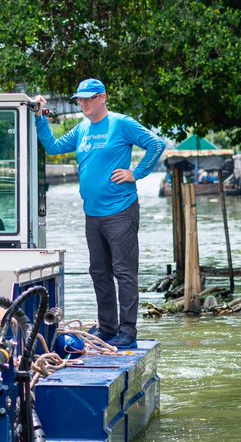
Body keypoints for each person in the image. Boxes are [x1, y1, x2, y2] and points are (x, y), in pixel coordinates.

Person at [34, 79, 164, 349]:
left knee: (124, 273)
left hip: (120, 210)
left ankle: (128, 332)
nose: (83, 103)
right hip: (92, 214)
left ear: (103, 97)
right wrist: (40, 119)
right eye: (80, 99)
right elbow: (54, 147)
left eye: (89, 98)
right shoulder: (81, 129)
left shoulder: (121, 123)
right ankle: (108, 327)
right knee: (99, 272)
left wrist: (135, 174)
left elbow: (156, 145)